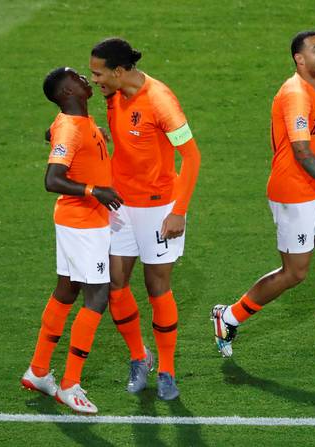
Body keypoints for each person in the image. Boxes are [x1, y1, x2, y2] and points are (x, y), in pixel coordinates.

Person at [211, 30, 315, 357]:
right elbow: (301, 151)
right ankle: (228, 316)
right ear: (299, 59)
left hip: (312, 189)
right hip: (293, 194)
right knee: (294, 273)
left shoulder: (312, 92)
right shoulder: (296, 95)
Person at [89, 38, 201, 400]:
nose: (95, 80)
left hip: (158, 209)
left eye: (98, 73)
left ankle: (167, 369)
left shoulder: (161, 102)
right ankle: (139, 357)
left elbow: (192, 157)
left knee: (157, 287)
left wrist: (179, 211)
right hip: (120, 205)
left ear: (119, 72)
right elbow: (127, 144)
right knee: (115, 283)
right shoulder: (113, 96)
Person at [20, 67, 123, 414]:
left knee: (66, 290)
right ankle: (70, 384)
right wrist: (95, 190)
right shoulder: (69, 126)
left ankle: (37, 371)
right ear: (67, 92)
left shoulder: (73, 122)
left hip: (78, 221)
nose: (85, 79)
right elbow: (52, 179)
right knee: (97, 295)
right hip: (83, 224)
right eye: (78, 78)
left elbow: (52, 132)